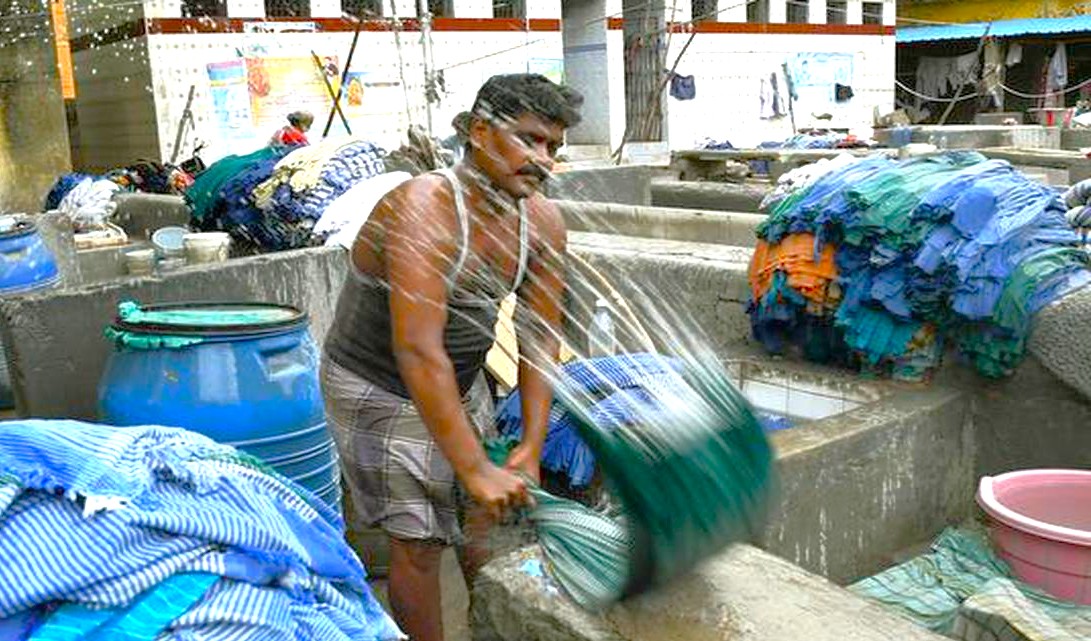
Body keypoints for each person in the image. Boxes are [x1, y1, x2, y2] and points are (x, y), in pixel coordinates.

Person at [321, 73, 582, 641]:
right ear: (482, 133)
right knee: (417, 541)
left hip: (459, 377)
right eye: (530, 139)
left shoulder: (541, 222)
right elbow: (416, 349)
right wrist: (472, 466)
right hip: (380, 382)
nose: (543, 160)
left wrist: (531, 447)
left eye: (553, 148)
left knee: (482, 519)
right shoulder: (423, 209)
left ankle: (486, 624)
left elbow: (540, 336)